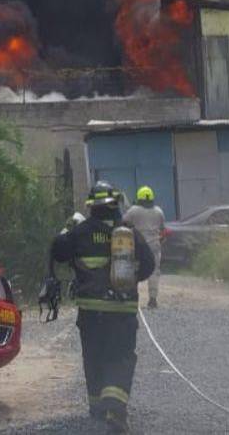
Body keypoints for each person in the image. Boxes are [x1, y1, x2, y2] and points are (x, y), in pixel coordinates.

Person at [50, 181, 155, 432]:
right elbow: (149, 265)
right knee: (120, 356)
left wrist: (68, 227)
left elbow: (58, 251)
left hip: (91, 311)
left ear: (91, 206)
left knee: (94, 356)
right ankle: (115, 409)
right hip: (122, 311)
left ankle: (97, 408)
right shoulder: (128, 233)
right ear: (115, 204)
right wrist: (130, 281)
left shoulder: (81, 231)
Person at [123, 186, 165, 309]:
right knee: (154, 272)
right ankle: (153, 299)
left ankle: (132, 297)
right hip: (154, 246)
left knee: (133, 270)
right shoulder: (159, 211)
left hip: (138, 245)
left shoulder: (133, 210)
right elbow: (162, 228)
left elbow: (123, 222)